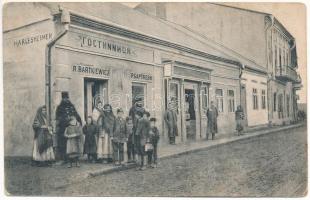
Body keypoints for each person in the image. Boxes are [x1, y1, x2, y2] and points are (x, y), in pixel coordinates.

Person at [55, 92, 82, 162]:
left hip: (72, 128)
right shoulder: (60, 107)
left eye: (67, 98)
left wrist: (79, 121)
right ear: (62, 99)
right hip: (63, 128)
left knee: (74, 143)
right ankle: (63, 158)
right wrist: (66, 120)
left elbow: (76, 114)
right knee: (63, 143)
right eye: (64, 98)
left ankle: (73, 158)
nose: (66, 99)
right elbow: (58, 118)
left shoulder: (72, 106)